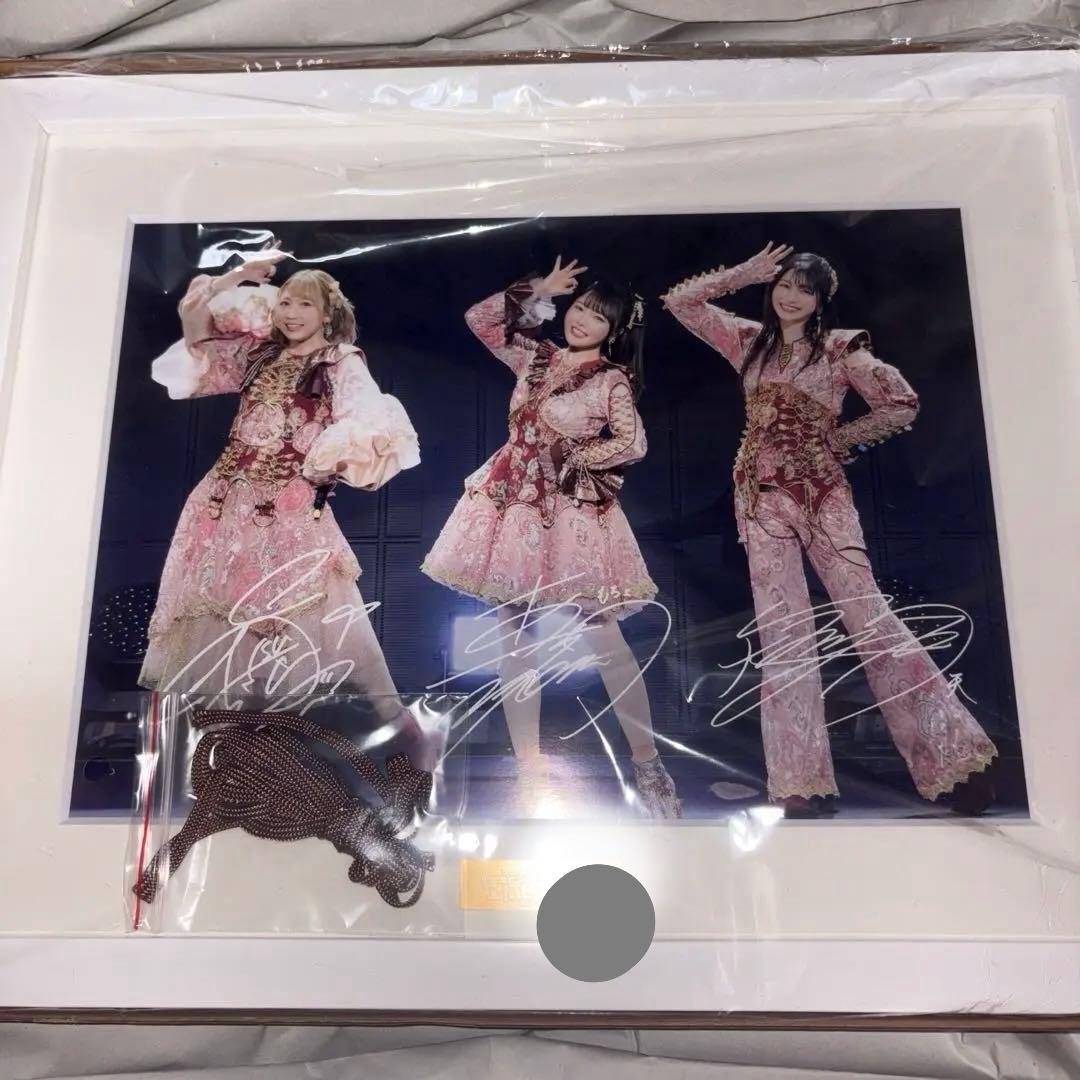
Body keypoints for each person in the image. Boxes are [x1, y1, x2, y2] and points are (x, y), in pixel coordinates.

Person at [662, 243, 997, 815]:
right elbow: (680, 302)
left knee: (870, 618)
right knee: (783, 633)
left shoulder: (841, 349)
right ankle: (799, 781)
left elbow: (900, 402)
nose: (791, 297)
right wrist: (745, 273)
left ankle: (956, 761)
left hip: (822, 499)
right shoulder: (748, 341)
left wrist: (838, 442)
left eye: (805, 290)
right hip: (760, 501)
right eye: (784, 285)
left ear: (821, 301)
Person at [140, 248, 431, 765]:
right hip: (224, 501)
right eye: (287, 302)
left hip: (289, 506)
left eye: (306, 304)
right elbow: (194, 330)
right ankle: (241, 752)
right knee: (224, 620)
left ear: (328, 313)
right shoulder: (257, 355)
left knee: (324, 616)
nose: (293, 313)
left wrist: (326, 459)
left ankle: (399, 727)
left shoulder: (340, 362)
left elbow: (368, 420)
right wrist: (236, 276)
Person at [421, 257, 681, 817]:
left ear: (615, 330)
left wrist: (574, 459)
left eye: (598, 316)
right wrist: (537, 289)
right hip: (513, 504)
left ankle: (648, 763)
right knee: (514, 638)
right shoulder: (536, 357)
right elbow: (480, 320)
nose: (582, 319)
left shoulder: (610, 379)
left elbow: (631, 443)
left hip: (569, 512)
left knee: (603, 636)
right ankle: (530, 771)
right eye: (580, 307)